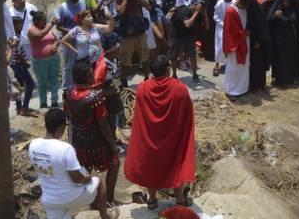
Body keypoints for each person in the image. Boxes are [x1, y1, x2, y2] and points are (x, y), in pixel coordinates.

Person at [125, 56, 195, 209]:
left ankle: (151, 199)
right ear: (168, 70)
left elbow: (139, 116)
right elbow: (187, 114)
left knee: (151, 165)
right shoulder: (179, 88)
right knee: (177, 163)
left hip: (150, 138)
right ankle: (180, 200)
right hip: (173, 137)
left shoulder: (142, 88)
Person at [28, 108, 118, 219]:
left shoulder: (33, 145)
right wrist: (89, 178)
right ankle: (105, 217)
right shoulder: (65, 148)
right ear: (61, 127)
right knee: (99, 183)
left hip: (50, 200)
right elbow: (78, 179)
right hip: (70, 197)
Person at [64, 62, 120, 205]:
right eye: (91, 74)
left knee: (85, 170)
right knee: (115, 163)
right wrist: (113, 145)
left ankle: (90, 200)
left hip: (79, 141)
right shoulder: (95, 98)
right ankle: (108, 199)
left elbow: (68, 115)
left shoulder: (68, 93)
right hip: (97, 142)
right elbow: (103, 123)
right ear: (88, 77)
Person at [56, 0, 88, 92]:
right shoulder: (62, 8)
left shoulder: (83, 2)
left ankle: (81, 87)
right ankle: (66, 90)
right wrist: (73, 32)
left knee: (83, 65)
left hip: (83, 40)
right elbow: (58, 26)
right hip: (69, 42)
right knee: (69, 67)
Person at [28, 11, 61, 109]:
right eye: (43, 20)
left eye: (45, 19)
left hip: (53, 58)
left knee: (54, 80)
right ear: (37, 21)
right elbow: (39, 36)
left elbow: (56, 39)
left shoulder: (47, 28)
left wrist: (55, 46)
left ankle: (55, 101)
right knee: (42, 82)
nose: (45, 21)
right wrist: (51, 24)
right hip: (40, 60)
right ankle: (43, 103)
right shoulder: (31, 30)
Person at [222, 0, 252, 96]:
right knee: (234, 67)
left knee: (244, 66)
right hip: (234, 44)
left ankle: (243, 89)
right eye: (243, 6)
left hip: (245, 41)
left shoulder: (245, 8)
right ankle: (232, 91)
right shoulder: (231, 11)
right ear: (240, 1)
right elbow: (231, 30)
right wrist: (244, 33)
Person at [267, 0, 299, 86]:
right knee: (279, 59)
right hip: (278, 39)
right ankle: (279, 79)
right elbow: (268, 21)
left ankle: (290, 77)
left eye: (287, 1)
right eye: (284, 1)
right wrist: (275, 16)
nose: (286, 3)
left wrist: (283, 17)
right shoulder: (276, 9)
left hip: (289, 38)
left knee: (290, 58)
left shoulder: (291, 9)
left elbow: (293, 19)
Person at [8, 16, 37, 117]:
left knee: (20, 86)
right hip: (19, 65)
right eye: (20, 25)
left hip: (14, 64)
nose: (22, 27)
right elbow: (18, 53)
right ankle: (25, 108)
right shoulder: (15, 37)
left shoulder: (11, 36)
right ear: (14, 26)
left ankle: (19, 108)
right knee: (31, 85)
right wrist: (26, 63)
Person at [212, 0, 234, 77]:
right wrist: (223, 24)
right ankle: (216, 65)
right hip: (221, 28)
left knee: (230, 46)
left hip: (232, 28)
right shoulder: (220, 3)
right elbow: (215, 16)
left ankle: (227, 64)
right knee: (220, 47)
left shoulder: (234, 2)